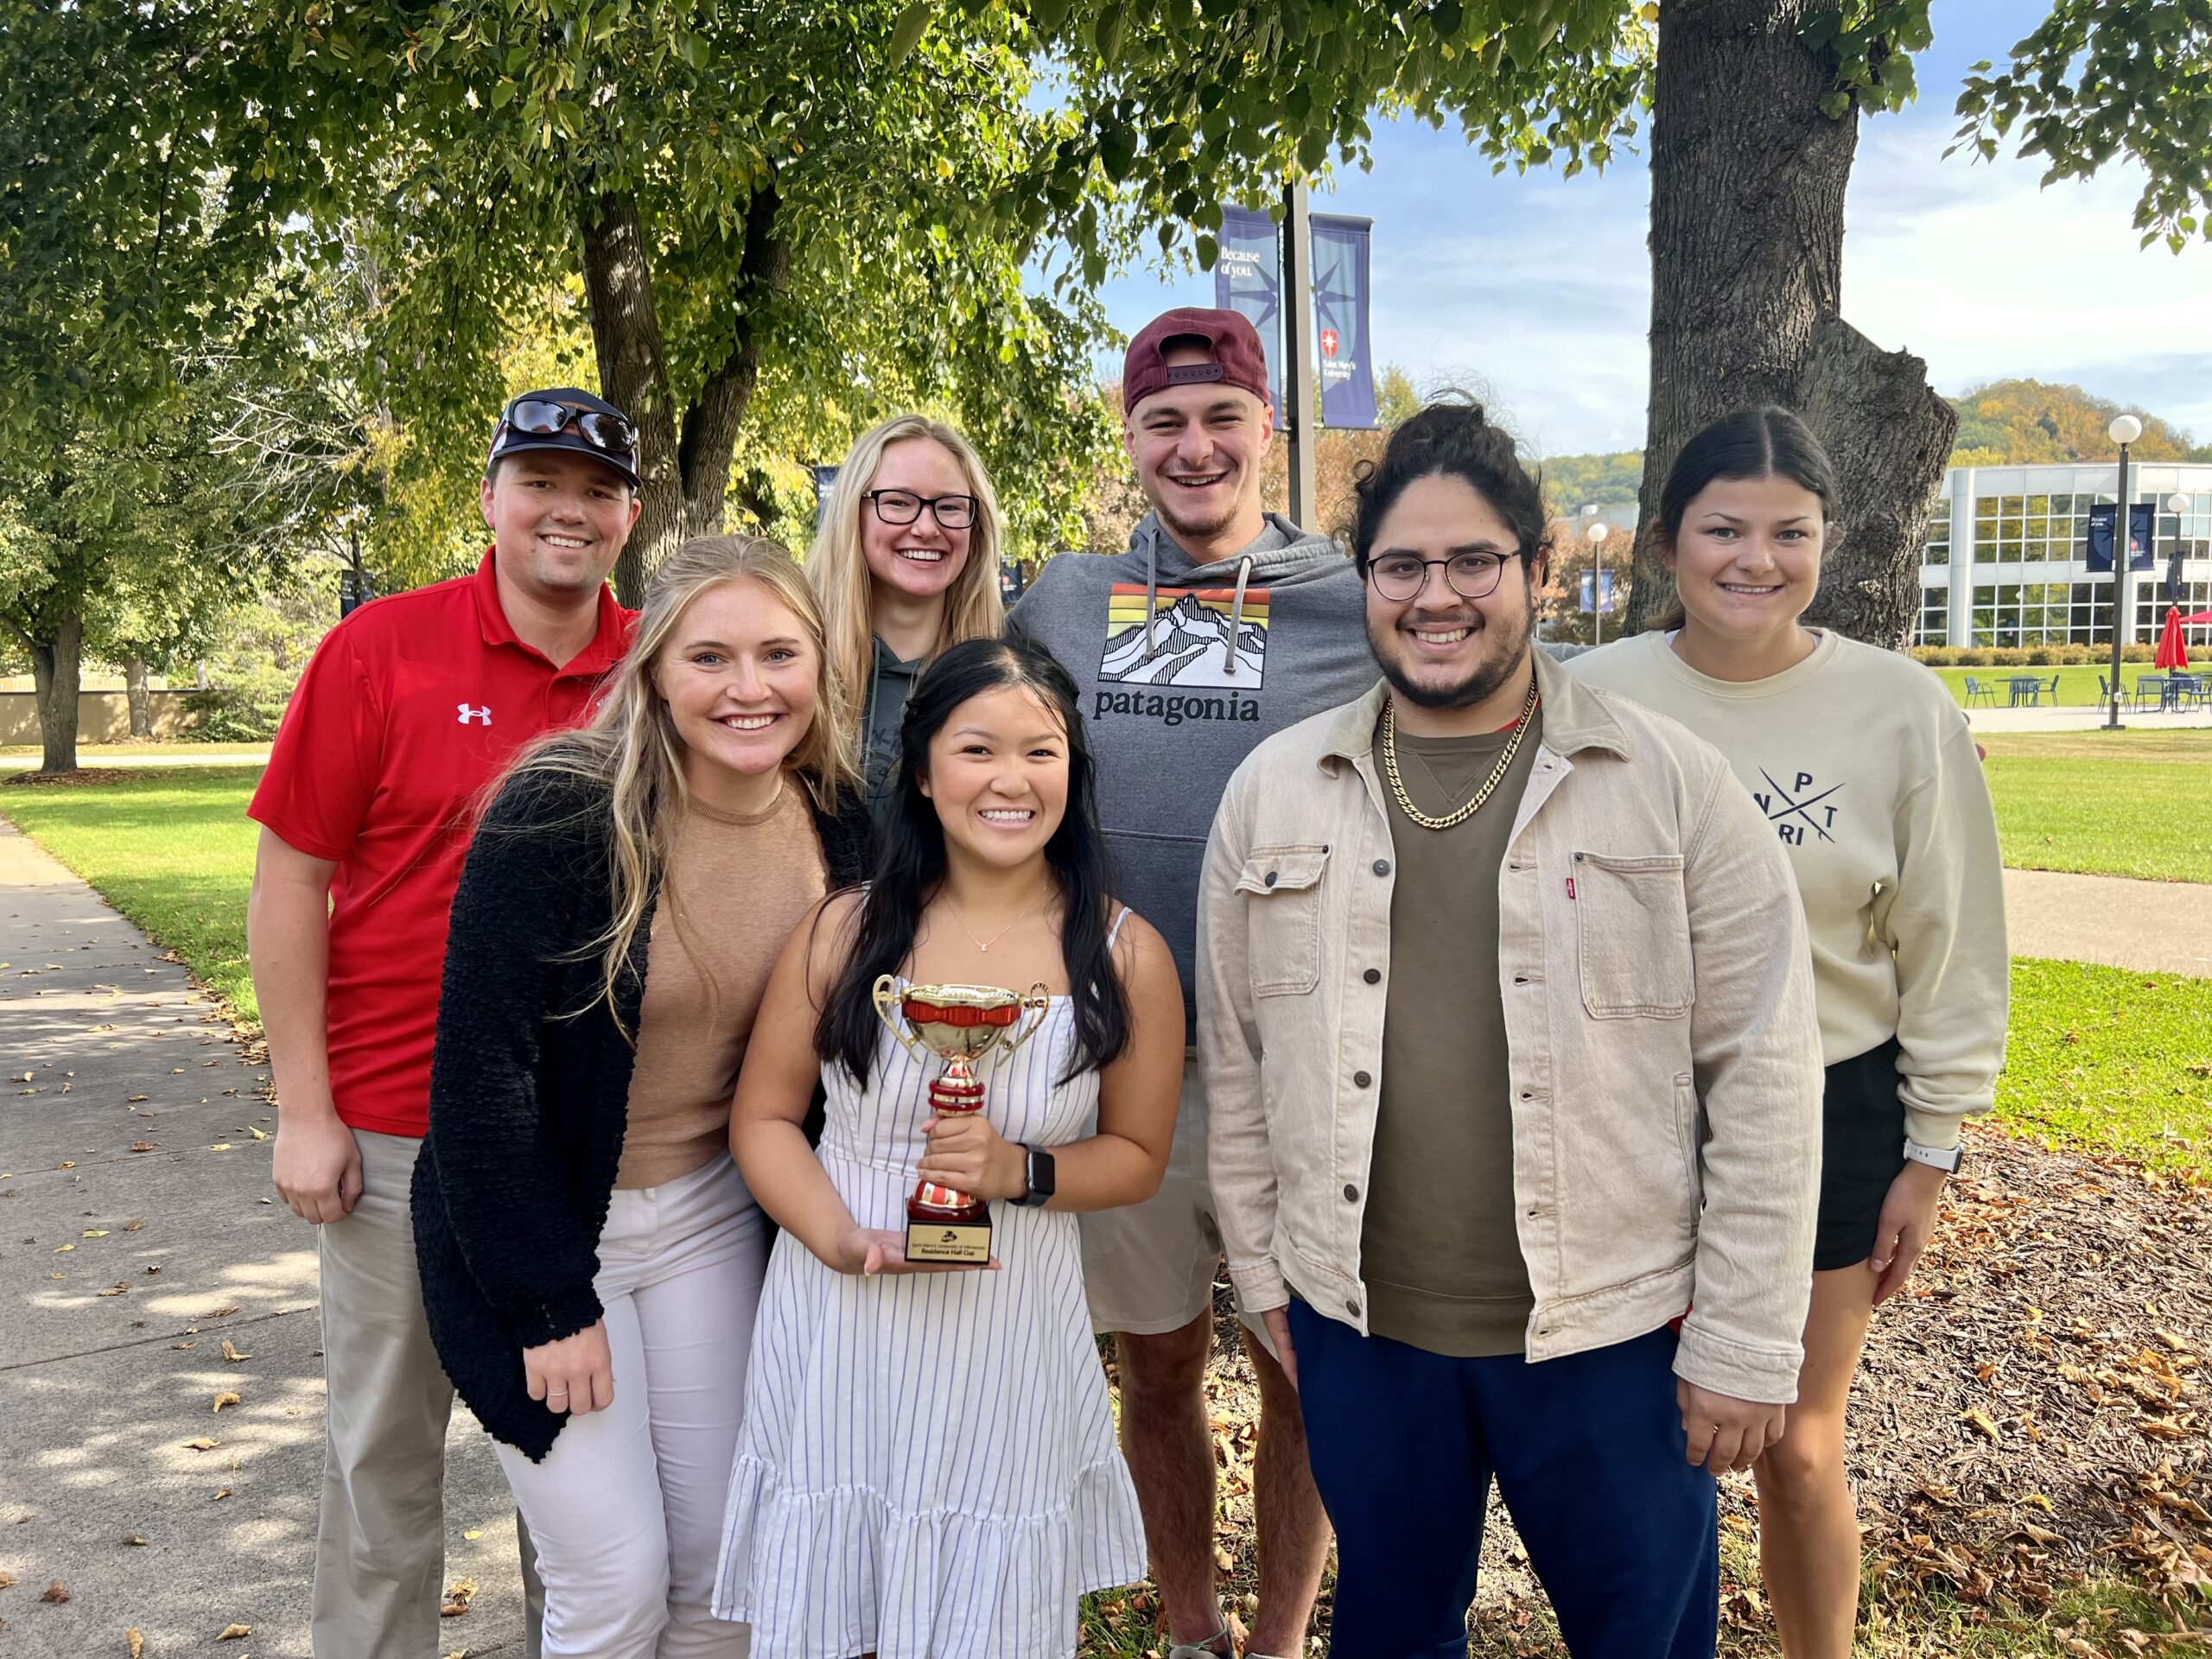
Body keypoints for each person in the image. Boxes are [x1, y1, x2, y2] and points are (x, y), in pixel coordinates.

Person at [1199, 398, 1827, 1659]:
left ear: (1537, 570)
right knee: (1392, 1633)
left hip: (1614, 1334)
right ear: (1366, 582)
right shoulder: (1275, 792)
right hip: (1364, 1331)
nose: (1437, 596)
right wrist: (1266, 1278)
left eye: (1473, 560)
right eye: (1401, 565)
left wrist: (1748, 1339)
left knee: (1641, 1637)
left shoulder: (1670, 785)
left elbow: (1764, 1070)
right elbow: (1238, 1065)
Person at [1567, 407, 2008, 1659]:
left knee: (1796, 1444)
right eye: (1723, 530)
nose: (1755, 559)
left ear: (1827, 543)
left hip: (1830, 1108)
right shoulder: (1590, 694)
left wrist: (1932, 1152)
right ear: (1666, 544)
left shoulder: (1900, 708)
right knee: (1643, 1443)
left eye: (1789, 533)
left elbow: (1950, 939)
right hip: (1625, 1107)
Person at [411, 535, 872, 1657]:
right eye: (710, 657)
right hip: (550, 1231)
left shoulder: (839, 820)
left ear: (820, 663)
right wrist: (547, 1302)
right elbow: (479, 1077)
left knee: (723, 1572)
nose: (749, 687)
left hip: (712, 1216)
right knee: (613, 1582)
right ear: (655, 667)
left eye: (779, 654)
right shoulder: (562, 812)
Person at [247, 387, 642, 1659]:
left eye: (595, 491)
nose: (567, 512)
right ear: (490, 498)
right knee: (384, 1457)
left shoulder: (659, 668)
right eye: (540, 483)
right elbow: (290, 880)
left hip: (581, 1142)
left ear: (629, 517)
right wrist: (304, 1109)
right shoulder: (381, 650)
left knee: (577, 1465)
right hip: (393, 1127)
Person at [1007, 307, 1368, 1659]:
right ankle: (1188, 1625)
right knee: (1156, 1362)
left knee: (1302, 1372)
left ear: (1269, 428)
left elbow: (1514, 681)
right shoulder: (1064, 599)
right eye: (1165, 421)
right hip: (1121, 1063)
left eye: (1223, 418)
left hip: (1297, 1067)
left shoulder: (1355, 598)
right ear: (1132, 437)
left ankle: (1278, 1640)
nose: (1195, 446)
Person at [712, 638, 1185, 1659]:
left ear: (1072, 771)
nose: (1011, 780)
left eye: (1040, 752)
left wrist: (1023, 1169)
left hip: (1007, 1330)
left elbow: (1138, 1153)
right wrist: (836, 1235)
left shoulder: (1125, 956)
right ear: (923, 773)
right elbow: (763, 1119)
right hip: (840, 1320)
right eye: (977, 750)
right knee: (832, 1608)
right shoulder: (843, 933)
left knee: (985, 1617)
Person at [809, 414, 1008, 817]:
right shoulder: (791, 663)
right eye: (898, 502)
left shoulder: (1008, 677)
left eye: (949, 507)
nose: (926, 528)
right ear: (853, 512)